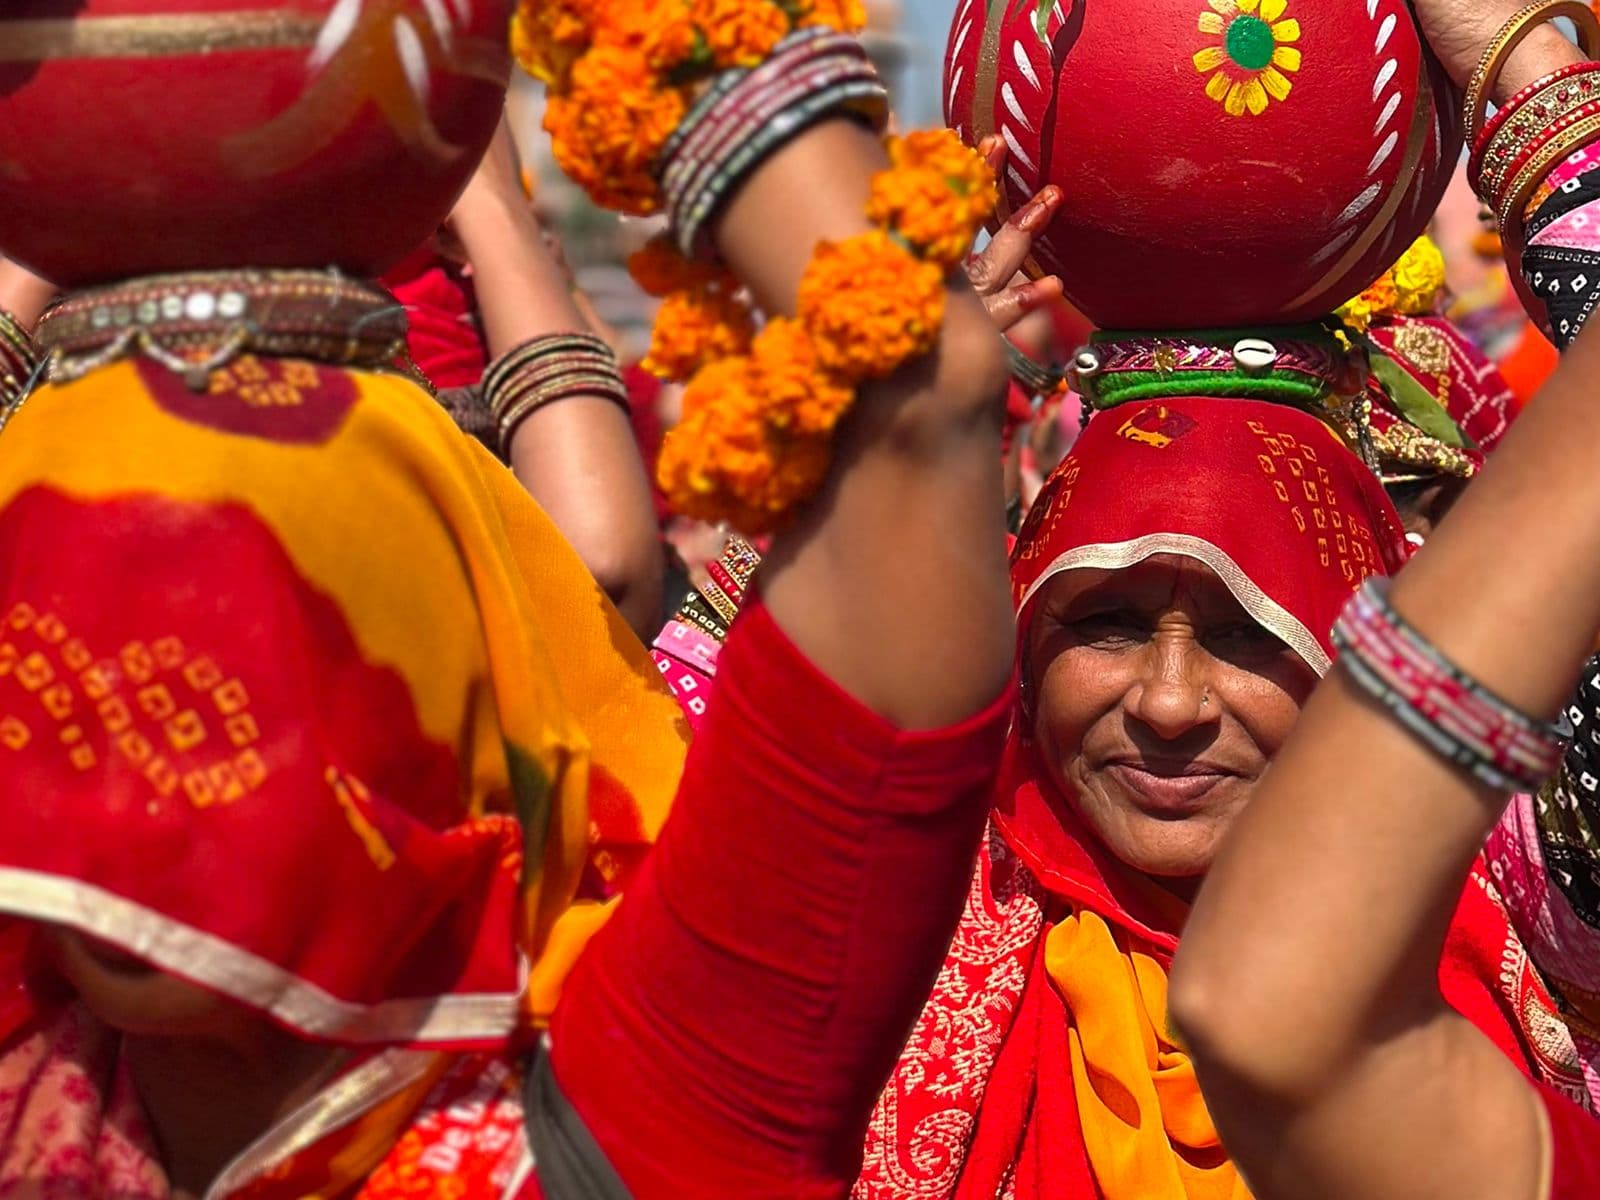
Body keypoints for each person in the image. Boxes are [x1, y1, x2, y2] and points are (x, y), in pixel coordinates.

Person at [0, 79, 1027, 1200]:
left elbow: (920, 408)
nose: (127, 787)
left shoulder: (659, 1103)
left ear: (447, 705)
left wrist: (670, 60)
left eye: (218, 688)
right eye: (66, 668)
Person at [851, 364, 1580, 1197]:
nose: (1168, 703)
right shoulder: (877, 938)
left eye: (1247, 632)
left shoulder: (1526, 926)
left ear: (1354, 662)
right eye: (1107, 623)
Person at [1168, 5, 1600, 1198]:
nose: (1167, 700)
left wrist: (1531, 74)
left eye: (1248, 615)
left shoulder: (1526, 877)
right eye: (1101, 617)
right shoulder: (925, 911)